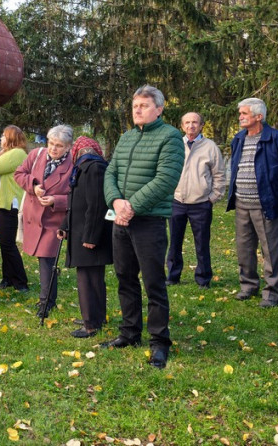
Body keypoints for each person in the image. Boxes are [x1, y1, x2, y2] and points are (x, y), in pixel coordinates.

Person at [102, 85, 183, 369]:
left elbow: (166, 179)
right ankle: (130, 332)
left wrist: (131, 206)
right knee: (125, 277)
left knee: (153, 283)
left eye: (144, 105)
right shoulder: (126, 137)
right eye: (135, 105)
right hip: (121, 220)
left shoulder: (170, 137)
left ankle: (159, 341)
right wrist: (115, 201)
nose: (137, 110)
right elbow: (110, 172)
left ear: (159, 109)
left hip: (149, 222)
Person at [227, 97, 278, 308]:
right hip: (242, 204)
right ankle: (248, 286)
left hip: (267, 205)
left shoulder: (277, 140)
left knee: (271, 250)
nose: (240, 117)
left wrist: (275, 192)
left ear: (258, 116)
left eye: (244, 113)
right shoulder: (238, 139)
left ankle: (271, 293)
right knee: (244, 249)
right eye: (240, 113)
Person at [15, 125, 73, 317]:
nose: (53, 148)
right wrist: (33, 186)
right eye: (51, 143)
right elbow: (19, 174)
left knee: (47, 258)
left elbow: (79, 196)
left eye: (59, 145)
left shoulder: (73, 164)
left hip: (55, 220)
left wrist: (57, 200)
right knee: (44, 259)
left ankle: (46, 302)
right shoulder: (36, 155)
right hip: (33, 215)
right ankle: (47, 299)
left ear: (68, 147)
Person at [58, 136, 112, 338]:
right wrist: (65, 226)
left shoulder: (94, 168)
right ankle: (94, 316)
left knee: (89, 280)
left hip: (90, 234)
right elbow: (75, 203)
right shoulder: (82, 167)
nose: (81, 153)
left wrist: (91, 236)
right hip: (82, 231)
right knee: (90, 277)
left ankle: (91, 324)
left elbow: (97, 204)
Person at [165, 112, 225, 288]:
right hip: (177, 202)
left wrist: (212, 198)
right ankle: (173, 276)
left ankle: (203, 278)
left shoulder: (210, 147)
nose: (191, 126)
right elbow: (166, 171)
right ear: (182, 126)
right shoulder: (175, 145)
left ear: (201, 125)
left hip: (201, 204)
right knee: (174, 242)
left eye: (195, 122)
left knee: (202, 243)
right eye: (187, 122)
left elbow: (219, 175)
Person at [0, 125, 29, 292]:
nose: (1, 138)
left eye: (3, 135)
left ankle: (21, 281)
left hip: (7, 204)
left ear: (11, 138)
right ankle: (8, 278)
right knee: (4, 244)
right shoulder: (6, 155)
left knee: (8, 244)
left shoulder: (17, 153)